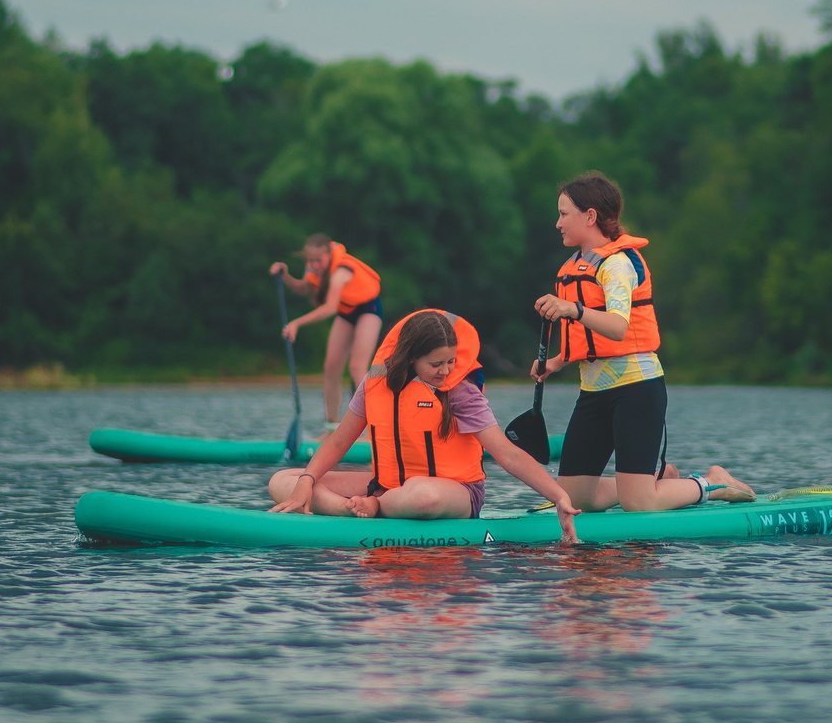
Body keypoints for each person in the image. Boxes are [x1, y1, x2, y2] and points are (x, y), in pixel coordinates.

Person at [532, 172, 755, 513]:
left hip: (636, 390)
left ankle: (714, 483)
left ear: (590, 216)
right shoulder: (575, 267)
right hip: (593, 393)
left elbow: (618, 327)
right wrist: (557, 361)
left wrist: (571, 309)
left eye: (564, 214)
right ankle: (660, 478)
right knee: (573, 498)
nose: (558, 223)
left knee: (639, 504)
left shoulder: (617, 265)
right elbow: (590, 339)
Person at [269, 309, 580, 542]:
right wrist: (308, 479)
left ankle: (374, 506)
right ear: (411, 358)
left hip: (452, 493)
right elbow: (339, 441)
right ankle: (349, 509)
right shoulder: (375, 383)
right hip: (387, 486)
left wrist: (558, 496)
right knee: (283, 481)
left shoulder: (461, 391)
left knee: (423, 495)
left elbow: (507, 454)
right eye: (436, 364)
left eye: (451, 361)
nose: (446, 371)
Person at [268, 234, 384, 424]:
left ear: (329, 255)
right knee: (330, 368)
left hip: (369, 309)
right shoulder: (313, 268)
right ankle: (331, 428)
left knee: (357, 367)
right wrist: (285, 276)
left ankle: (368, 428)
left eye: (319, 260)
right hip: (346, 311)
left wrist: (296, 323)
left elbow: (330, 308)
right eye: (311, 260)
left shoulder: (341, 272)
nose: (315, 265)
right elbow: (304, 288)